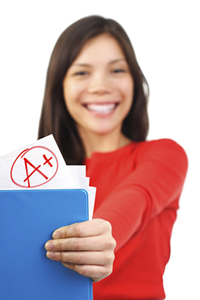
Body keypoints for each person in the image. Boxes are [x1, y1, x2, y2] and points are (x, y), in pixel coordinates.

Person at [39, 15, 188, 300]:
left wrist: (104, 232)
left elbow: (137, 196)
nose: (101, 86)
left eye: (117, 70)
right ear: (60, 86)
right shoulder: (41, 179)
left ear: (135, 80)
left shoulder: (165, 155)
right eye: (82, 73)